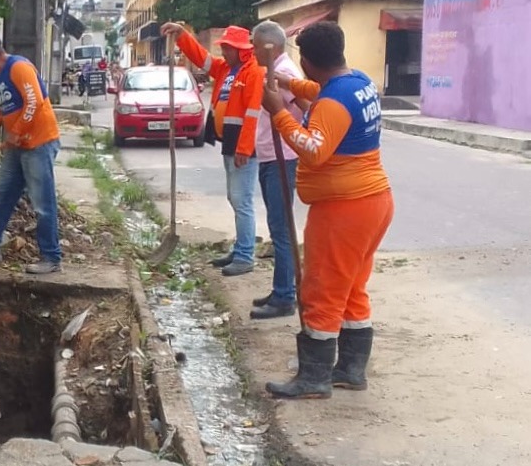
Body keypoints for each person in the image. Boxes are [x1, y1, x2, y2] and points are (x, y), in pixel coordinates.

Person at [260, 21, 394, 399]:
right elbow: (316, 89)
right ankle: (351, 370)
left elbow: (314, 150)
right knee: (351, 288)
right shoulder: (357, 82)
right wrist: (287, 87)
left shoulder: (332, 105)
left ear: (307, 59)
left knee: (321, 289)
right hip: (373, 202)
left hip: (344, 210)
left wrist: (279, 113)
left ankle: (314, 378)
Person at [160, 22, 264, 276]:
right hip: (230, 142)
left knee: (242, 200)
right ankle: (240, 248)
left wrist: (244, 147)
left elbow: (253, 113)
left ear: (242, 50)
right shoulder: (227, 69)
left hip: (242, 146)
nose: (224, 52)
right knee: (235, 198)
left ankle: (245, 255)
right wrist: (183, 35)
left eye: (229, 48)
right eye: (224, 47)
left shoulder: (253, 72)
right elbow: (201, 58)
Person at [0, 31, 63, 274]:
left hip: (39, 144)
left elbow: (34, 101)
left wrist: (16, 131)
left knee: (42, 203)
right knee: (2, 196)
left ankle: (51, 257)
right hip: (17, 148)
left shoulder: (19, 67)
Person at [249, 21, 310, 319]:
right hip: (270, 157)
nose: (252, 50)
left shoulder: (286, 72)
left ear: (268, 47)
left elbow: (307, 106)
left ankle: (286, 296)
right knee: (277, 227)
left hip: (282, 158)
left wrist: (282, 102)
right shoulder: (273, 70)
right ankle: (280, 288)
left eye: (254, 45)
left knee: (282, 230)